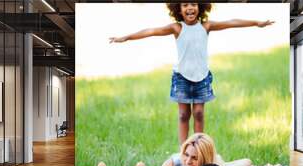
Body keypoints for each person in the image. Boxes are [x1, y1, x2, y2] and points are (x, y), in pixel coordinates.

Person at [109, 3, 274, 145]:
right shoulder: (177, 28)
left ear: (200, 7)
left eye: (193, 4)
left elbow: (231, 23)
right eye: (185, 5)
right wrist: (127, 37)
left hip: (201, 78)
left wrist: (256, 23)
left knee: (199, 113)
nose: (190, 8)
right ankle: (184, 150)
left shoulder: (206, 26)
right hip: (182, 77)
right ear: (178, 9)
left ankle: (198, 147)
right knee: (183, 114)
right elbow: (152, 31)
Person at [97, 133, 252, 166]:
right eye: (186, 155)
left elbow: (247, 161)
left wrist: (220, 165)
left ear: (204, 159)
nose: (188, 161)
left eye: (194, 158)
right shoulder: (175, 161)